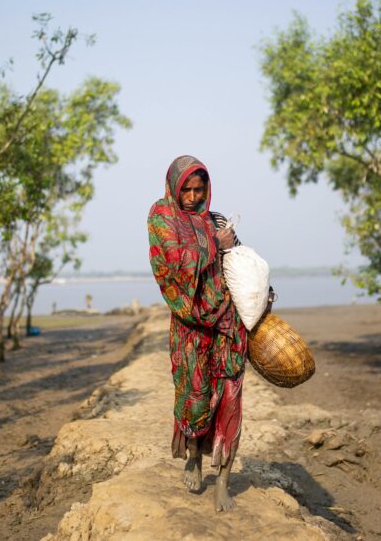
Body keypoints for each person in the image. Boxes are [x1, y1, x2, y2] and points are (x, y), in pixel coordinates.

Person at [147, 155, 247, 512]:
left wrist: (231, 246)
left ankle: (223, 482)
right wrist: (214, 244)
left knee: (230, 402)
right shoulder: (162, 216)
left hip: (226, 326)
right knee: (197, 397)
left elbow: (237, 268)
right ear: (174, 187)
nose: (192, 196)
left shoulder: (215, 222)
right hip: (191, 326)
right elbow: (174, 262)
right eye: (186, 188)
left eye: (199, 188)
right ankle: (193, 455)